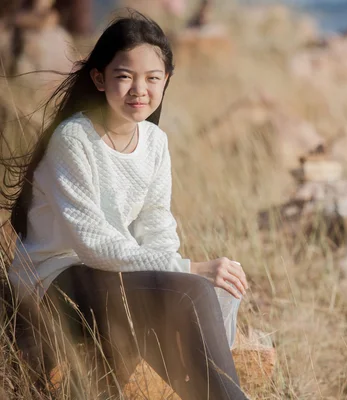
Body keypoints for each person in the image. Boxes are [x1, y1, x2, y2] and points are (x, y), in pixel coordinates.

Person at [5, 11, 249, 400]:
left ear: (166, 80)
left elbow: (156, 226)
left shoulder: (154, 143)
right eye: (125, 76)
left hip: (109, 274)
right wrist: (190, 269)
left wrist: (176, 273)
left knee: (202, 289)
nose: (140, 89)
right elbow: (93, 245)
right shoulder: (75, 139)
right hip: (55, 277)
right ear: (99, 78)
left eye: (153, 78)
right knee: (194, 288)